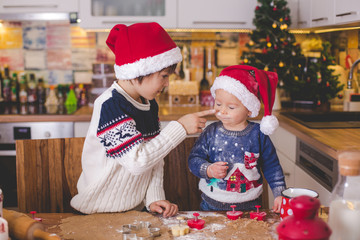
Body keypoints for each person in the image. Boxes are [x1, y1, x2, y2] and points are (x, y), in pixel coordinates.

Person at [71, 22, 215, 217]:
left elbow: (155, 158)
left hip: (133, 211)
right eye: (163, 76)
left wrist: (154, 197)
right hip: (97, 212)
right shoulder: (111, 106)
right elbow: (137, 161)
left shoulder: (149, 103)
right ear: (138, 71)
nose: (166, 83)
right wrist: (180, 127)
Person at [188, 65, 286, 213]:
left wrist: (279, 194)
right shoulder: (210, 131)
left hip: (251, 207)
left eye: (231, 107)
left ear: (249, 109)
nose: (222, 110)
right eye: (218, 104)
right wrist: (208, 169)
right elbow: (193, 159)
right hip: (211, 207)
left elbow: (272, 167)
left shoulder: (258, 134)